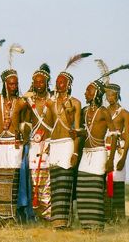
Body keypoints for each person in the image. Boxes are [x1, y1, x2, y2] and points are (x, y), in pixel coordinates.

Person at [76, 80, 117, 230]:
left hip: (99, 153)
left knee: (95, 190)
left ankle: (97, 226)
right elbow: (84, 130)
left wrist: (111, 159)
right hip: (86, 154)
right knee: (82, 189)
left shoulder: (103, 111)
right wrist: (77, 132)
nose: (85, 93)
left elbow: (114, 135)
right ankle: (86, 225)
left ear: (96, 94)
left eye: (88, 91)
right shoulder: (85, 110)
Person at [0, 68, 27, 225]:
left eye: (16, 84)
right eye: (11, 84)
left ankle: (11, 216)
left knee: (13, 178)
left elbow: (26, 123)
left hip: (14, 143)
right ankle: (0, 215)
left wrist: (23, 134)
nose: (14, 87)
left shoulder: (22, 102)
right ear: (5, 85)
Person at [48, 71, 81, 229]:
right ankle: (56, 221)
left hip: (68, 143)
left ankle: (65, 222)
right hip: (54, 144)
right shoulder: (50, 102)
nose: (58, 84)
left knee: (65, 182)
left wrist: (75, 152)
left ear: (69, 85)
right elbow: (48, 126)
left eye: (62, 82)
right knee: (55, 183)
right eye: (57, 81)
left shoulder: (75, 103)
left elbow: (77, 130)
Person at [25, 64, 53, 221]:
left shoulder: (53, 100)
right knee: (34, 179)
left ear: (47, 82)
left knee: (47, 181)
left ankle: (48, 216)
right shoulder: (29, 101)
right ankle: (36, 215)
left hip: (49, 143)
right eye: (36, 81)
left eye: (41, 81)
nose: (38, 84)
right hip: (34, 144)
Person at [104, 83, 129, 223]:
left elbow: (128, 136)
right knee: (104, 182)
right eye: (107, 95)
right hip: (104, 150)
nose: (109, 98)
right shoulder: (103, 111)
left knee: (117, 182)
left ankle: (118, 218)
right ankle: (106, 216)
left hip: (118, 152)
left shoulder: (124, 113)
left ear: (118, 95)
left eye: (112, 95)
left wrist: (124, 158)